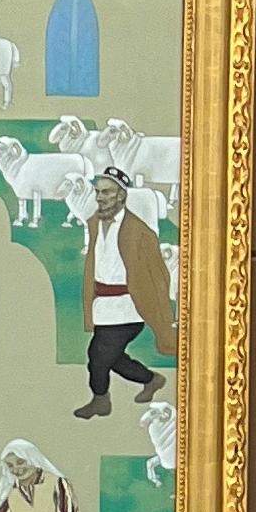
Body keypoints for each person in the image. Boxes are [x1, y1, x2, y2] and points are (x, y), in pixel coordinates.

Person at [76, 167, 175, 417]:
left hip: (129, 306)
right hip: (102, 306)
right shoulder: (95, 226)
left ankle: (101, 400)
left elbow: (158, 274)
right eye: (98, 192)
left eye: (107, 192)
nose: (100, 197)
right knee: (112, 356)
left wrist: (161, 312)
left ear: (121, 195)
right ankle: (151, 379)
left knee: (98, 356)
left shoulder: (140, 233)